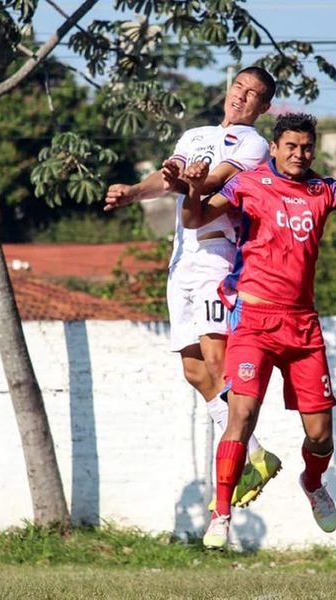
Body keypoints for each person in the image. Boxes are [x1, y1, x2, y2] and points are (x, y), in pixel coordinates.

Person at [172, 112, 336, 549]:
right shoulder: (249, 182)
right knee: (242, 414)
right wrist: (195, 188)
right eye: (290, 146)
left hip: (303, 326)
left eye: (306, 147)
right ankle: (221, 514)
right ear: (274, 148)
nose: (298, 154)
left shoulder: (323, 189)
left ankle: (312, 484)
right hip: (253, 322)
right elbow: (195, 219)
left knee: (320, 436)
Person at [104, 67, 282, 508]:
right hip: (182, 260)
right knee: (194, 371)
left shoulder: (253, 144)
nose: (241, 97)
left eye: (253, 95)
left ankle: (243, 455)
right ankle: (258, 454)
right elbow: (171, 178)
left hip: (217, 257)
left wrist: (191, 180)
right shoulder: (194, 134)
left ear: (262, 107)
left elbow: (215, 182)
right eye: (238, 88)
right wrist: (132, 192)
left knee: (218, 359)